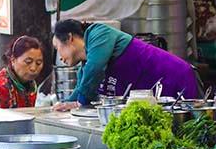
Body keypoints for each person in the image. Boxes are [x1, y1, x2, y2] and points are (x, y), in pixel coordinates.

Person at [51, 19, 200, 111]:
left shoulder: (98, 33)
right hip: (155, 92)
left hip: (176, 77)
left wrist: (80, 102)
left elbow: (95, 69)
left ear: (70, 38)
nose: (60, 57)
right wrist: (66, 104)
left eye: (58, 48)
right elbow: (81, 88)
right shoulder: (85, 64)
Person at [0, 36, 44, 109]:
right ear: (13, 60)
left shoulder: (30, 85)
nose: (33, 68)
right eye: (28, 62)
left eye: (38, 63)